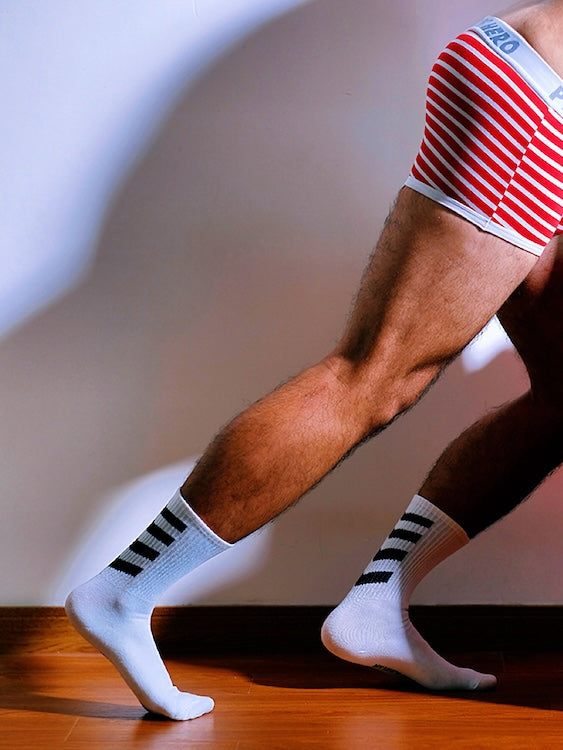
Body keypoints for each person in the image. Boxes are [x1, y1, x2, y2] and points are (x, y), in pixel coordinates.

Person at [65, 1, 563, 721]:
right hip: (537, 100)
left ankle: (377, 606)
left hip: (524, 77)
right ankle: (124, 590)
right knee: (372, 377)